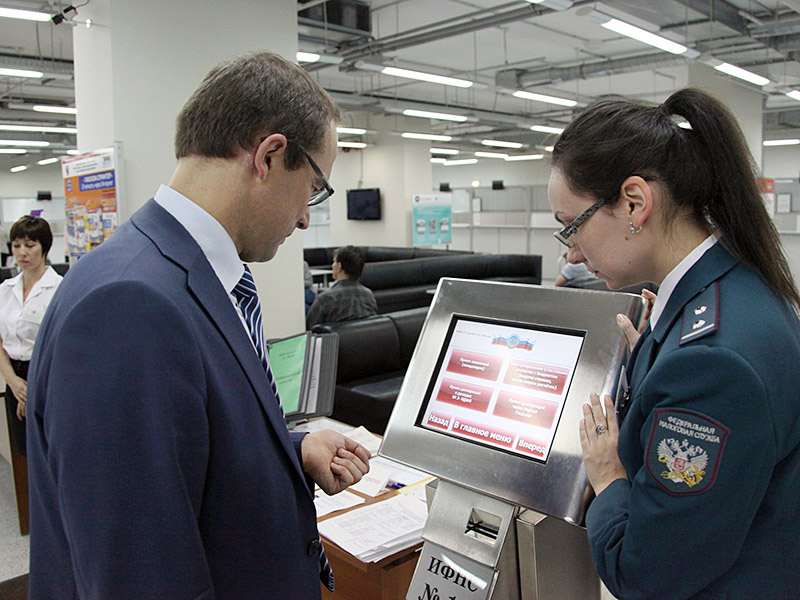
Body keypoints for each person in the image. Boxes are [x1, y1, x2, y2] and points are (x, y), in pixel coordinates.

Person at [26, 51, 370, 600]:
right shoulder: (130, 305)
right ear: (269, 156)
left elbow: (187, 450)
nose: (307, 216)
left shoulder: (186, 276)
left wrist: (292, 448)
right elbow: (140, 576)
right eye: (314, 187)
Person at [548, 88, 800, 599]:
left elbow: (644, 571)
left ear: (636, 202)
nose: (571, 256)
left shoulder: (710, 361)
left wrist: (608, 475)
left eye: (571, 227)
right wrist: (654, 358)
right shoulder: (725, 294)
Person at [0, 216, 61, 532]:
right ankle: (38, 522)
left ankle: (59, 519)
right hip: (16, 378)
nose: (22, 252)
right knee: (25, 453)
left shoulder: (58, 288)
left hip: (48, 378)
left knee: (51, 452)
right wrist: (13, 382)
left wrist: (32, 389)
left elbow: (58, 345)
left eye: (30, 245)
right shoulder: (5, 289)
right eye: (17, 245)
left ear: (44, 248)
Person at [306, 245, 378, 328]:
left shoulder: (325, 298)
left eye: (334, 262)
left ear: (339, 266)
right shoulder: (369, 295)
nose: (332, 265)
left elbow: (311, 329)